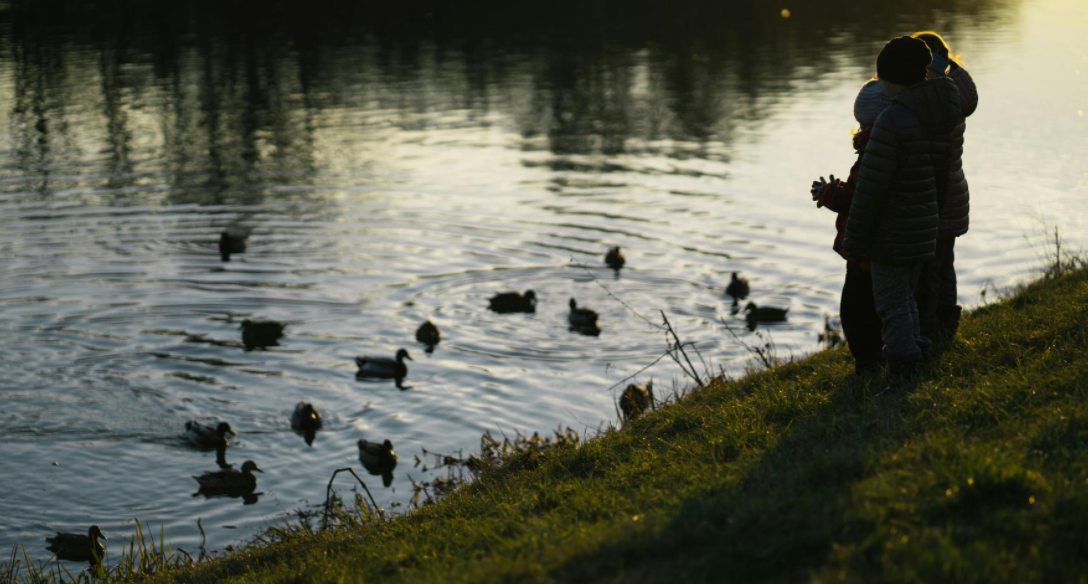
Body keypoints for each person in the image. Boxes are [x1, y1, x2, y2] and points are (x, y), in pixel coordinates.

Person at [842, 36, 966, 379]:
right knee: (909, 297)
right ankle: (918, 347)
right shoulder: (944, 106)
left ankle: (904, 365)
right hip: (927, 223)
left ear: (890, 79)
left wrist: (854, 239)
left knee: (892, 303)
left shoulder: (893, 121)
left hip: (892, 230)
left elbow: (870, 188)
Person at [810, 79, 891, 374]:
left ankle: (869, 364)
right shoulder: (886, 145)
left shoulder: (875, 150)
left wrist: (830, 194)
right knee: (875, 307)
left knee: (857, 311)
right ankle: (875, 358)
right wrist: (837, 190)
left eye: (862, 123)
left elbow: (863, 199)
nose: (858, 130)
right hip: (874, 245)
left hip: (866, 248)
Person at [911, 30, 977, 341]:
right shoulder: (954, 95)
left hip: (935, 194)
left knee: (928, 268)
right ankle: (945, 321)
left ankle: (930, 325)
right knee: (943, 263)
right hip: (954, 192)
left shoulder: (933, 98)